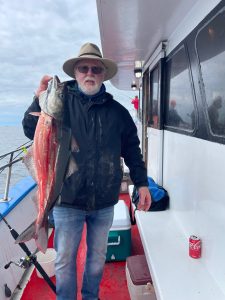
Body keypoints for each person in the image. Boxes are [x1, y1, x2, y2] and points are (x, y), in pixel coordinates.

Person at [22, 42, 151, 300]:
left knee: (96, 260)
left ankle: (91, 297)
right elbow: (30, 130)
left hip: (104, 202)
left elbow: (132, 151)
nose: (89, 73)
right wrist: (37, 99)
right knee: (64, 262)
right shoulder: (59, 105)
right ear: (75, 73)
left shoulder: (119, 113)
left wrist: (142, 183)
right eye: (83, 68)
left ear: (103, 73)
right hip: (67, 200)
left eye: (95, 68)